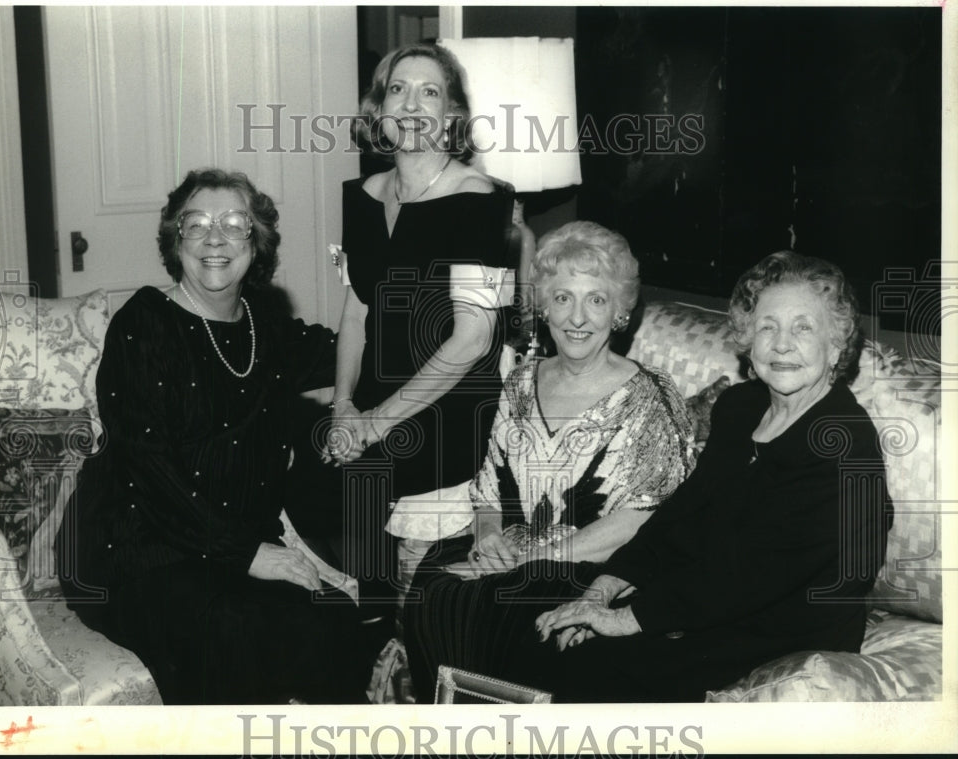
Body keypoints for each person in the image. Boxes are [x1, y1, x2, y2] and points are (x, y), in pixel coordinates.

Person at [54, 169, 374, 704]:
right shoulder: (143, 324)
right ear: (175, 241)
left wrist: (375, 299)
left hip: (230, 544)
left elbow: (354, 348)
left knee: (331, 621)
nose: (214, 238)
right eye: (196, 224)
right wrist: (248, 554)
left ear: (257, 242)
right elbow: (148, 472)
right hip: (136, 551)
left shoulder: (264, 326)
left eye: (233, 224)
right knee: (231, 632)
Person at [516, 250, 894, 702]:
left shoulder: (844, 442)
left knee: (588, 672)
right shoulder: (741, 408)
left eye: (804, 328)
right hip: (706, 600)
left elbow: (752, 573)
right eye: (767, 327)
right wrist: (602, 590)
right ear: (748, 341)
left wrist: (623, 620)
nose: (782, 344)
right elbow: (682, 516)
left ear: (836, 347)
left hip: (783, 629)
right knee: (529, 633)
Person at [403, 221, 697, 702]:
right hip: (513, 553)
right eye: (562, 298)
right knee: (435, 585)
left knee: (506, 603)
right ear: (544, 306)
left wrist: (531, 558)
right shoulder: (521, 382)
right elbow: (489, 486)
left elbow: (641, 521)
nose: (577, 317)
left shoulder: (653, 398)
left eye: (596, 300)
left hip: (596, 567)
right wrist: (488, 536)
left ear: (619, 311)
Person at [287, 43, 517, 615]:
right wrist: (343, 405)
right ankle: (329, 607)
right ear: (380, 112)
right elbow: (357, 311)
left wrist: (374, 425)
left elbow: (473, 338)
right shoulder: (362, 196)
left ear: (452, 115)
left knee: (360, 474)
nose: (411, 103)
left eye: (429, 91)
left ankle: (376, 626)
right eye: (398, 89)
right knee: (289, 431)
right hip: (375, 394)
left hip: (453, 405)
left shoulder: (477, 199)